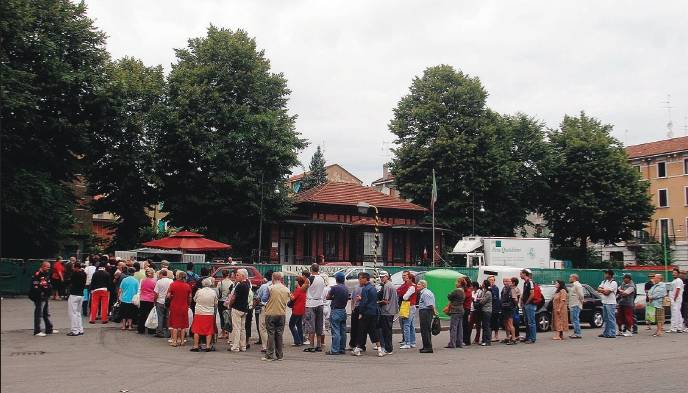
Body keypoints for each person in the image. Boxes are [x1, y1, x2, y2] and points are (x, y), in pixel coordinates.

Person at [352, 272, 383, 357]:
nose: (359, 280)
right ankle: (380, 350)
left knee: (361, 331)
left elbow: (363, 302)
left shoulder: (365, 289)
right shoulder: (372, 288)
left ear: (365, 279)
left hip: (366, 313)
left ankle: (357, 349)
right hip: (373, 312)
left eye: (360, 278)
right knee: (373, 331)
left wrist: (361, 313)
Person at [262, 272, 290, 361]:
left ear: (273, 278)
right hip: (282, 314)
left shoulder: (270, 288)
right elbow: (289, 301)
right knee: (279, 334)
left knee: (271, 334)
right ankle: (279, 355)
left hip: (271, 313)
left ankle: (269, 355)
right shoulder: (286, 289)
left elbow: (264, 299)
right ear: (281, 279)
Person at [302, 263, 326, 353]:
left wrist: (304, 282)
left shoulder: (309, 279)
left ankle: (311, 346)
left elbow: (303, 289)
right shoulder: (322, 278)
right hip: (320, 302)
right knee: (319, 325)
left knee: (311, 326)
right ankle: (319, 345)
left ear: (311, 269)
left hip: (311, 303)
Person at [190, 278, 218, 352]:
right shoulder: (213, 292)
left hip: (199, 312)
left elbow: (194, 299)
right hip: (209, 313)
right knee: (209, 330)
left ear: (203, 284)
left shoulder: (199, 291)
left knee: (197, 330)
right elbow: (216, 302)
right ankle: (208, 346)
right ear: (210, 284)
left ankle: (196, 346)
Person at [30, 261, 57, 336]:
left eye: (49, 267)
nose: (49, 268)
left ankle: (49, 329)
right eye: (47, 267)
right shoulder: (37, 274)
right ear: (43, 266)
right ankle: (37, 331)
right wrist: (41, 294)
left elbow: (47, 284)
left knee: (46, 313)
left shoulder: (46, 274)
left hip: (45, 296)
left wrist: (48, 293)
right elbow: (35, 286)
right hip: (39, 297)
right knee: (39, 313)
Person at [228, 269, 251, 352]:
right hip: (244, 308)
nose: (236, 276)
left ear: (243, 276)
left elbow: (234, 297)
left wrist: (230, 305)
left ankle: (235, 347)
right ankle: (243, 346)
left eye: (238, 275)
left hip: (237, 308)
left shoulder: (239, 285)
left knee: (236, 328)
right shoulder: (247, 284)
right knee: (242, 329)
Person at [167, 271, 191, 346]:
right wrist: (188, 304)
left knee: (175, 325)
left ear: (178, 276)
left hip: (174, 306)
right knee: (183, 325)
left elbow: (168, 295)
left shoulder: (172, 285)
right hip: (184, 306)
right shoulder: (187, 286)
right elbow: (190, 297)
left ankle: (174, 341)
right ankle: (182, 341)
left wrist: (171, 297)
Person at [326, 272, 348, 355]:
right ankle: (342, 348)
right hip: (343, 310)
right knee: (343, 331)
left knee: (335, 331)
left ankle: (335, 350)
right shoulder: (346, 288)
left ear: (336, 279)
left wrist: (333, 297)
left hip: (336, 311)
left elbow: (328, 297)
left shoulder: (335, 288)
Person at [377, 271, 398, 355]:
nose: (381, 278)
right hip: (391, 311)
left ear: (387, 277)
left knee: (386, 331)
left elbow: (386, 301)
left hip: (387, 311)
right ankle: (389, 348)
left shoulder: (387, 286)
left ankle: (388, 349)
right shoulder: (391, 284)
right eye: (380, 277)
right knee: (388, 330)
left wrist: (377, 303)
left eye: (383, 277)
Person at [397, 271, 418, 349]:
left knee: (406, 325)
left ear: (410, 279)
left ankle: (407, 342)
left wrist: (404, 293)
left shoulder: (411, 287)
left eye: (406, 278)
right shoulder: (413, 286)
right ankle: (412, 342)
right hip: (411, 306)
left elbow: (405, 297)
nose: (405, 279)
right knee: (411, 325)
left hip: (408, 306)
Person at [416, 279, 437, 353]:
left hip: (426, 312)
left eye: (419, 284)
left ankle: (428, 347)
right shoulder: (424, 292)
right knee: (424, 330)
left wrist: (434, 312)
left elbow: (430, 304)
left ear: (423, 285)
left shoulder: (425, 293)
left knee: (425, 330)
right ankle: (425, 346)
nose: (417, 286)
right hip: (425, 311)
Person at [256, 270, 274, 352]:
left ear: (265, 278)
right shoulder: (279, 286)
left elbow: (258, 297)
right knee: (272, 327)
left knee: (263, 327)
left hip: (265, 307)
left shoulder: (264, 286)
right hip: (275, 308)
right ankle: (273, 344)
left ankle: (265, 346)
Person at [66, 262, 86, 336]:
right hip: (81, 294)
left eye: (74, 267)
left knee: (72, 313)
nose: (73, 268)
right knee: (78, 313)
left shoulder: (74, 274)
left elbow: (68, 281)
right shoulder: (84, 274)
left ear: (76, 267)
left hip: (74, 294)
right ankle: (80, 329)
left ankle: (74, 330)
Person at [597, 269, 618, 338]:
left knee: (611, 318)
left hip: (611, 303)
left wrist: (602, 290)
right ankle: (606, 332)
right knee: (606, 318)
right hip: (605, 302)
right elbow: (598, 289)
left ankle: (612, 333)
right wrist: (604, 290)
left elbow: (607, 293)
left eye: (606, 274)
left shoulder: (613, 283)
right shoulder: (604, 281)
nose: (604, 275)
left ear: (609, 275)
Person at [446, 277, 465, 348]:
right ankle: (459, 343)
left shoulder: (456, 291)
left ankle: (452, 343)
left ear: (460, 283)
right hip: (461, 309)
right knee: (460, 327)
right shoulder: (463, 290)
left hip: (455, 310)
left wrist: (449, 294)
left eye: (457, 282)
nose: (455, 283)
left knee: (453, 327)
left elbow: (449, 296)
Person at [153, 269, 173, 338]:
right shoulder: (171, 281)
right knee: (168, 317)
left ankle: (159, 332)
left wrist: (154, 301)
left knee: (160, 316)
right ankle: (168, 332)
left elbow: (156, 293)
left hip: (160, 301)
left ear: (161, 274)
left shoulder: (159, 282)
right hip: (168, 301)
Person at [138, 268, 157, 334]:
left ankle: (140, 329)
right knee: (150, 315)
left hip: (143, 298)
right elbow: (155, 291)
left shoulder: (142, 280)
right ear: (152, 274)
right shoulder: (154, 281)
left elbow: (140, 289)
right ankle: (151, 330)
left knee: (142, 315)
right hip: (151, 299)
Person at [289, 276, 307, 347]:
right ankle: (301, 340)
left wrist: (289, 294)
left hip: (296, 310)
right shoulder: (304, 289)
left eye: (296, 281)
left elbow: (293, 298)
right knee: (299, 325)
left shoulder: (298, 290)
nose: (295, 283)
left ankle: (297, 340)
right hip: (302, 309)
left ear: (298, 282)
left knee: (291, 325)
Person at [216, 269, 234, 340]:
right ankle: (228, 333)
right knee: (228, 317)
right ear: (228, 274)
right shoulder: (231, 282)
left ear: (222, 275)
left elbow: (217, 292)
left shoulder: (220, 283)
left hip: (221, 301)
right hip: (228, 301)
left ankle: (223, 332)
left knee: (222, 317)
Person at [520, 269, 537, 343]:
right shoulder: (525, 283)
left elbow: (532, 294)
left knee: (531, 322)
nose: (520, 275)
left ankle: (532, 338)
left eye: (521, 274)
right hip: (526, 305)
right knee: (526, 322)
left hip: (530, 305)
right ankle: (527, 337)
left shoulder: (530, 282)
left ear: (524, 274)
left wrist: (527, 302)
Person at [500, 277, 518, 344]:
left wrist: (515, 306)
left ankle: (513, 339)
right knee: (505, 323)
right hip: (504, 308)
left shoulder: (512, 289)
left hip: (510, 308)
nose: (505, 282)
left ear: (510, 282)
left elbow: (515, 299)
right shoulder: (503, 289)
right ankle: (508, 337)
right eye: (504, 281)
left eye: (507, 281)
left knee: (510, 324)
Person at [668, 267, 685, 333]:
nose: (673, 274)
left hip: (676, 300)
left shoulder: (678, 280)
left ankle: (673, 328)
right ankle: (679, 327)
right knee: (678, 313)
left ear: (678, 274)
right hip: (674, 300)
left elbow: (678, 290)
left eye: (675, 273)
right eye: (673, 273)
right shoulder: (674, 281)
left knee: (675, 313)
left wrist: (674, 298)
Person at [568, 274, 584, 339]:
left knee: (575, 319)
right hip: (573, 304)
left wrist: (580, 303)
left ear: (574, 278)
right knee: (573, 319)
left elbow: (581, 296)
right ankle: (576, 332)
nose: (569, 278)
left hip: (576, 304)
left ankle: (578, 333)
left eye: (570, 277)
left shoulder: (577, 285)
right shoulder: (574, 285)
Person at [478, 280, 493, 346]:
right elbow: (481, 298)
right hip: (483, 310)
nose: (482, 284)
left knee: (486, 326)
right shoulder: (484, 291)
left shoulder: (488, 293)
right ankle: (484, 340)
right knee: (484, 325)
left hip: (487, 310)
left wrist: (478, 300)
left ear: (485, 284)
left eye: (483, 283)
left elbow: (483, 301)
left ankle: (488, 340)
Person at [488, 275, 501, 342]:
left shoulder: (495, 288)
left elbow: (495, 297)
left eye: (492, 280)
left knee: (495, 321)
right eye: (490, 280)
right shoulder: (488, 288)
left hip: (495, 308)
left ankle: (496, 336)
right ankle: (489, 336)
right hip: (489, 307)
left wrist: (490, 289)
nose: (491, 281)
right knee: (489, 322)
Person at [462, 278, 472, 346]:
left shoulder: (467, 291)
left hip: (466, 309)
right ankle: (464, 339)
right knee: (464, 324)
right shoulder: (467, 290)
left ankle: (466, 340)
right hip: (465, 308)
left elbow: (463, 298)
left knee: (465, 324)